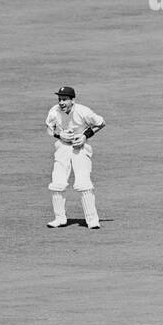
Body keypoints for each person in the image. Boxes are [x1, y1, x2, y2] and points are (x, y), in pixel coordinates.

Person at [45, 85, 106, 229]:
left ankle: (92, 220)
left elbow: (101, 123)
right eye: (60, 99)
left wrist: (85, 136)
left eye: (65, 99)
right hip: (62, 148)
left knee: (84, 184)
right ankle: (59, 219)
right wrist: (59, 135)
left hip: (80, 149)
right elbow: (48, 128)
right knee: (57, 183)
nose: (61, 103)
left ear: (72, 100)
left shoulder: (83, 111)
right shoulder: (54, 111)